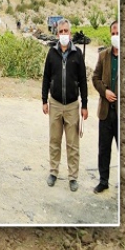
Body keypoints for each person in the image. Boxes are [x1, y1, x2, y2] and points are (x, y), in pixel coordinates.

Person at [42, 18, 88, 192]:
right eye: (60, 31)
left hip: (72, 105)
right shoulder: (51, 53)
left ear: (70, 33)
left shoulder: (77, 54)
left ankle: (73, 177)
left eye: (66, 31)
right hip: (54, 103)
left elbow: (83, 80)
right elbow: (46, 77)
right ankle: (53, 172)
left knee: (72, 143)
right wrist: (44, 100)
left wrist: (84, 105)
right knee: (54, 140)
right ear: (57, 33)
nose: (63, 34)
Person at [92, 20, 119, 193]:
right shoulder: (104, 56)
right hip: (106, 112)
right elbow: (95, 78)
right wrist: (105, 91)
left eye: (118, 32)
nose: (116, 36)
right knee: (104, 148)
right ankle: (103, 181)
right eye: (113, 33)